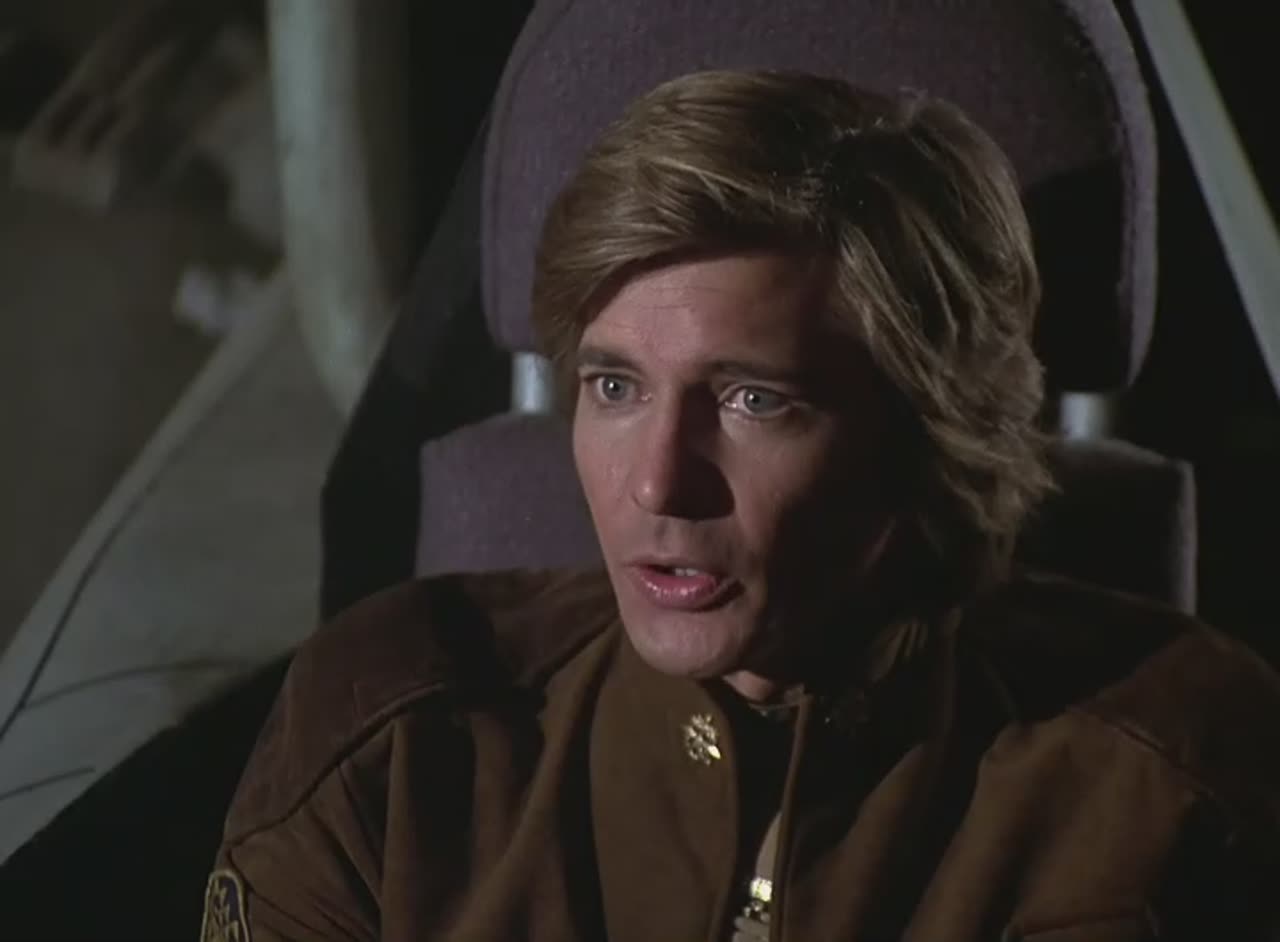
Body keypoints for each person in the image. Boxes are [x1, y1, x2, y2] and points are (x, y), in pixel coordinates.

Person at [203, 71, 1280, 941]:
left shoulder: (1169, 786)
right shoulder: (391, 741)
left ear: (929, 434)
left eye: (752, 400)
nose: (656, 484)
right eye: (614, 387)